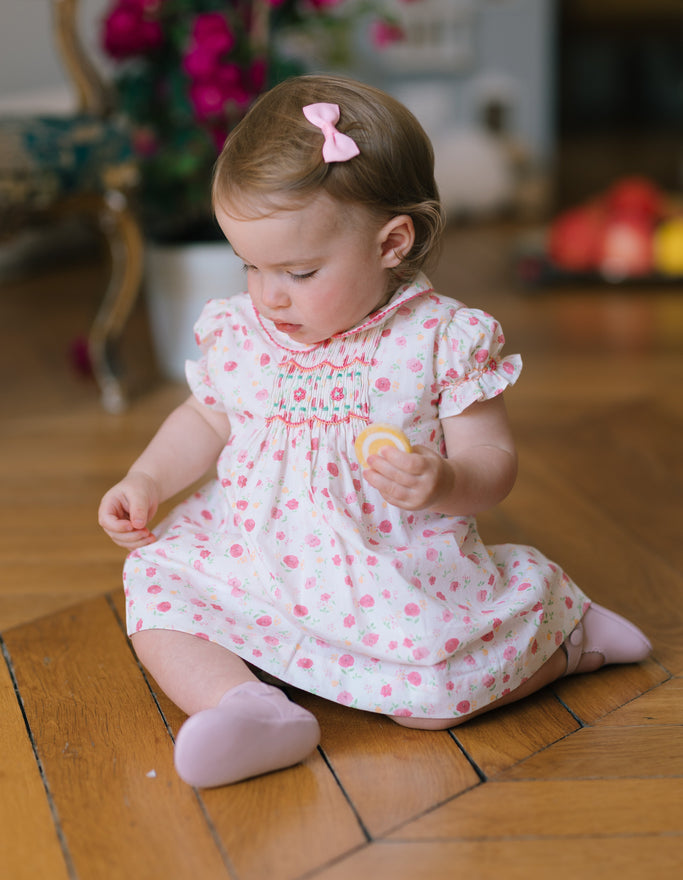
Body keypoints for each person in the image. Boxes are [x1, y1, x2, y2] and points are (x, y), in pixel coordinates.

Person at [99, 75, 651, 788]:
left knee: (433, 701)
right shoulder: (240, 330)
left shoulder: (438, 340)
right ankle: (246, 709)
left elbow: (492, 458)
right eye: (250, 266)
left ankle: (563, 635)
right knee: (160, 590)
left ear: (391, 243)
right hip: (251, 550)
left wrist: (446, 480)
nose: (268, 295)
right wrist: (147, 478)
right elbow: (207, 415)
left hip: (385, 570)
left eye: (299, 271)